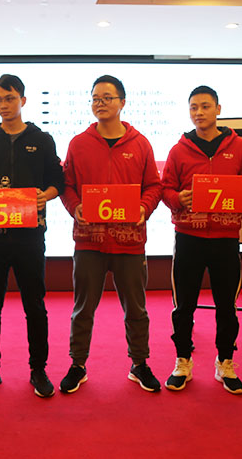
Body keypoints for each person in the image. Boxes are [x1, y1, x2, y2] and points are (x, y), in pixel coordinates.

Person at [59, 75, 163, 394]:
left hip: (130, 241)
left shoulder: (140, 143)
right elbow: (67, 185)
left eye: (107, 98)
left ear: (122, 102)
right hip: (88, 240)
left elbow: (154, 186)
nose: (100, 103)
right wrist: (75, 206)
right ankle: (77, 364)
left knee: (136, 309)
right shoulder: (78, 143)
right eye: (95, 98)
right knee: (82, 308)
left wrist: (143, 208)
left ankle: (139, 363)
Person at [0, 74, 65, 398]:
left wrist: (45, 195)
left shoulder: (43, 139)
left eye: (9, 98)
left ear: (22, 100)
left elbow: (57, 181)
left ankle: (38, 369)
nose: (4, 105)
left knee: (34, 306)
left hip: (29, 237)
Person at [159, 85, 242, 395]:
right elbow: (165, 188)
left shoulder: (238, 147)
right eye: (193, 107)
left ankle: (225, 362)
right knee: (184, 305)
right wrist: (178, 198)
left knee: (226, 306)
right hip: (188, 237)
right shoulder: (179, 150)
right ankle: (183, 360)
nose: (199, 112)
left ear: (218, 109)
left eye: (205, 106)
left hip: (225, 239)